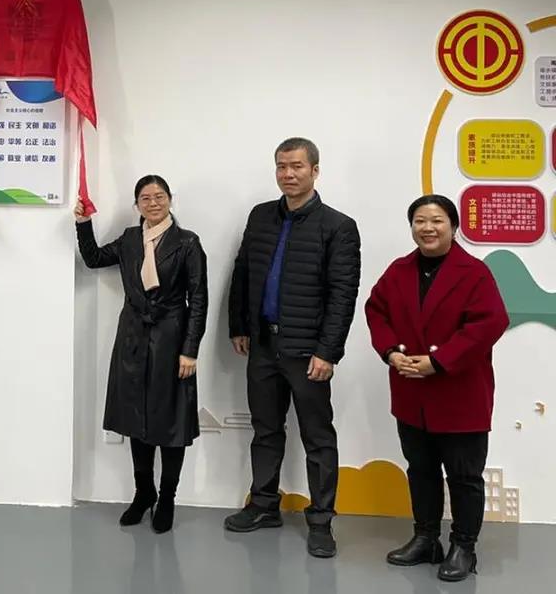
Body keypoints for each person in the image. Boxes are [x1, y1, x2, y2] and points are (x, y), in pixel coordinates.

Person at [224, 137, 361, 558]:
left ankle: (321, 521)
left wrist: (328, 351)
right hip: (263, 345)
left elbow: (343, 295)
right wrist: (239, 325)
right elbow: (243, 271)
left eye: (297, 166)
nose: (288, 174)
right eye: (282, 166)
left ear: (315, 170)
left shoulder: (338, 226)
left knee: (318, 437)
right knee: (265, 430)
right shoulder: (260, 216)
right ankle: (264, 504)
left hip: (308, 352)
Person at [365, 194, 508, 583]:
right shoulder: (398, 270)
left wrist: (440, 361)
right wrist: (391, 352)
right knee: (421, 470)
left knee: (464, 476)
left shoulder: (474, 272)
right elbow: (376, 310)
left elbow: (490, 322)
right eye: (420, 221)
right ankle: (426, 538)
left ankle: (464, 547)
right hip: (411, 394)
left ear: (454, 227)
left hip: (460, 394)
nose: (427, 228)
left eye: (437, 221)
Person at [74, 175, 208, 533]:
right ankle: (144, 492)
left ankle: (167, 497)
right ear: (137, 205)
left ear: (170, 200)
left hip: (172, 338)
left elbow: (198, 299)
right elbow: (93, 259)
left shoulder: (187, 242)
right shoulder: (130, 239)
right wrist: (83, 222)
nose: (153, 203)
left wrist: (190, 349)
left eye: (159, 196)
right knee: (136, 417)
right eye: (145, 198)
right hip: (132, 336)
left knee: (171, 421)